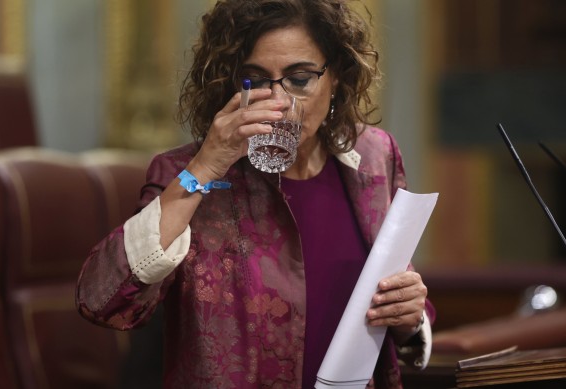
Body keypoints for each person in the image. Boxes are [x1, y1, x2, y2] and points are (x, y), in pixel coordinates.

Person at [75, 0, 435, 387]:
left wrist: (412, 317)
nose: (278, 102)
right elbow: (104, 302)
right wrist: (205, 167)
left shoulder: (375, 158)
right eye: (256, 80)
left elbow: (399, 295)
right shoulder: (186, 173)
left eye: (300, 79)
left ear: (336, 77)